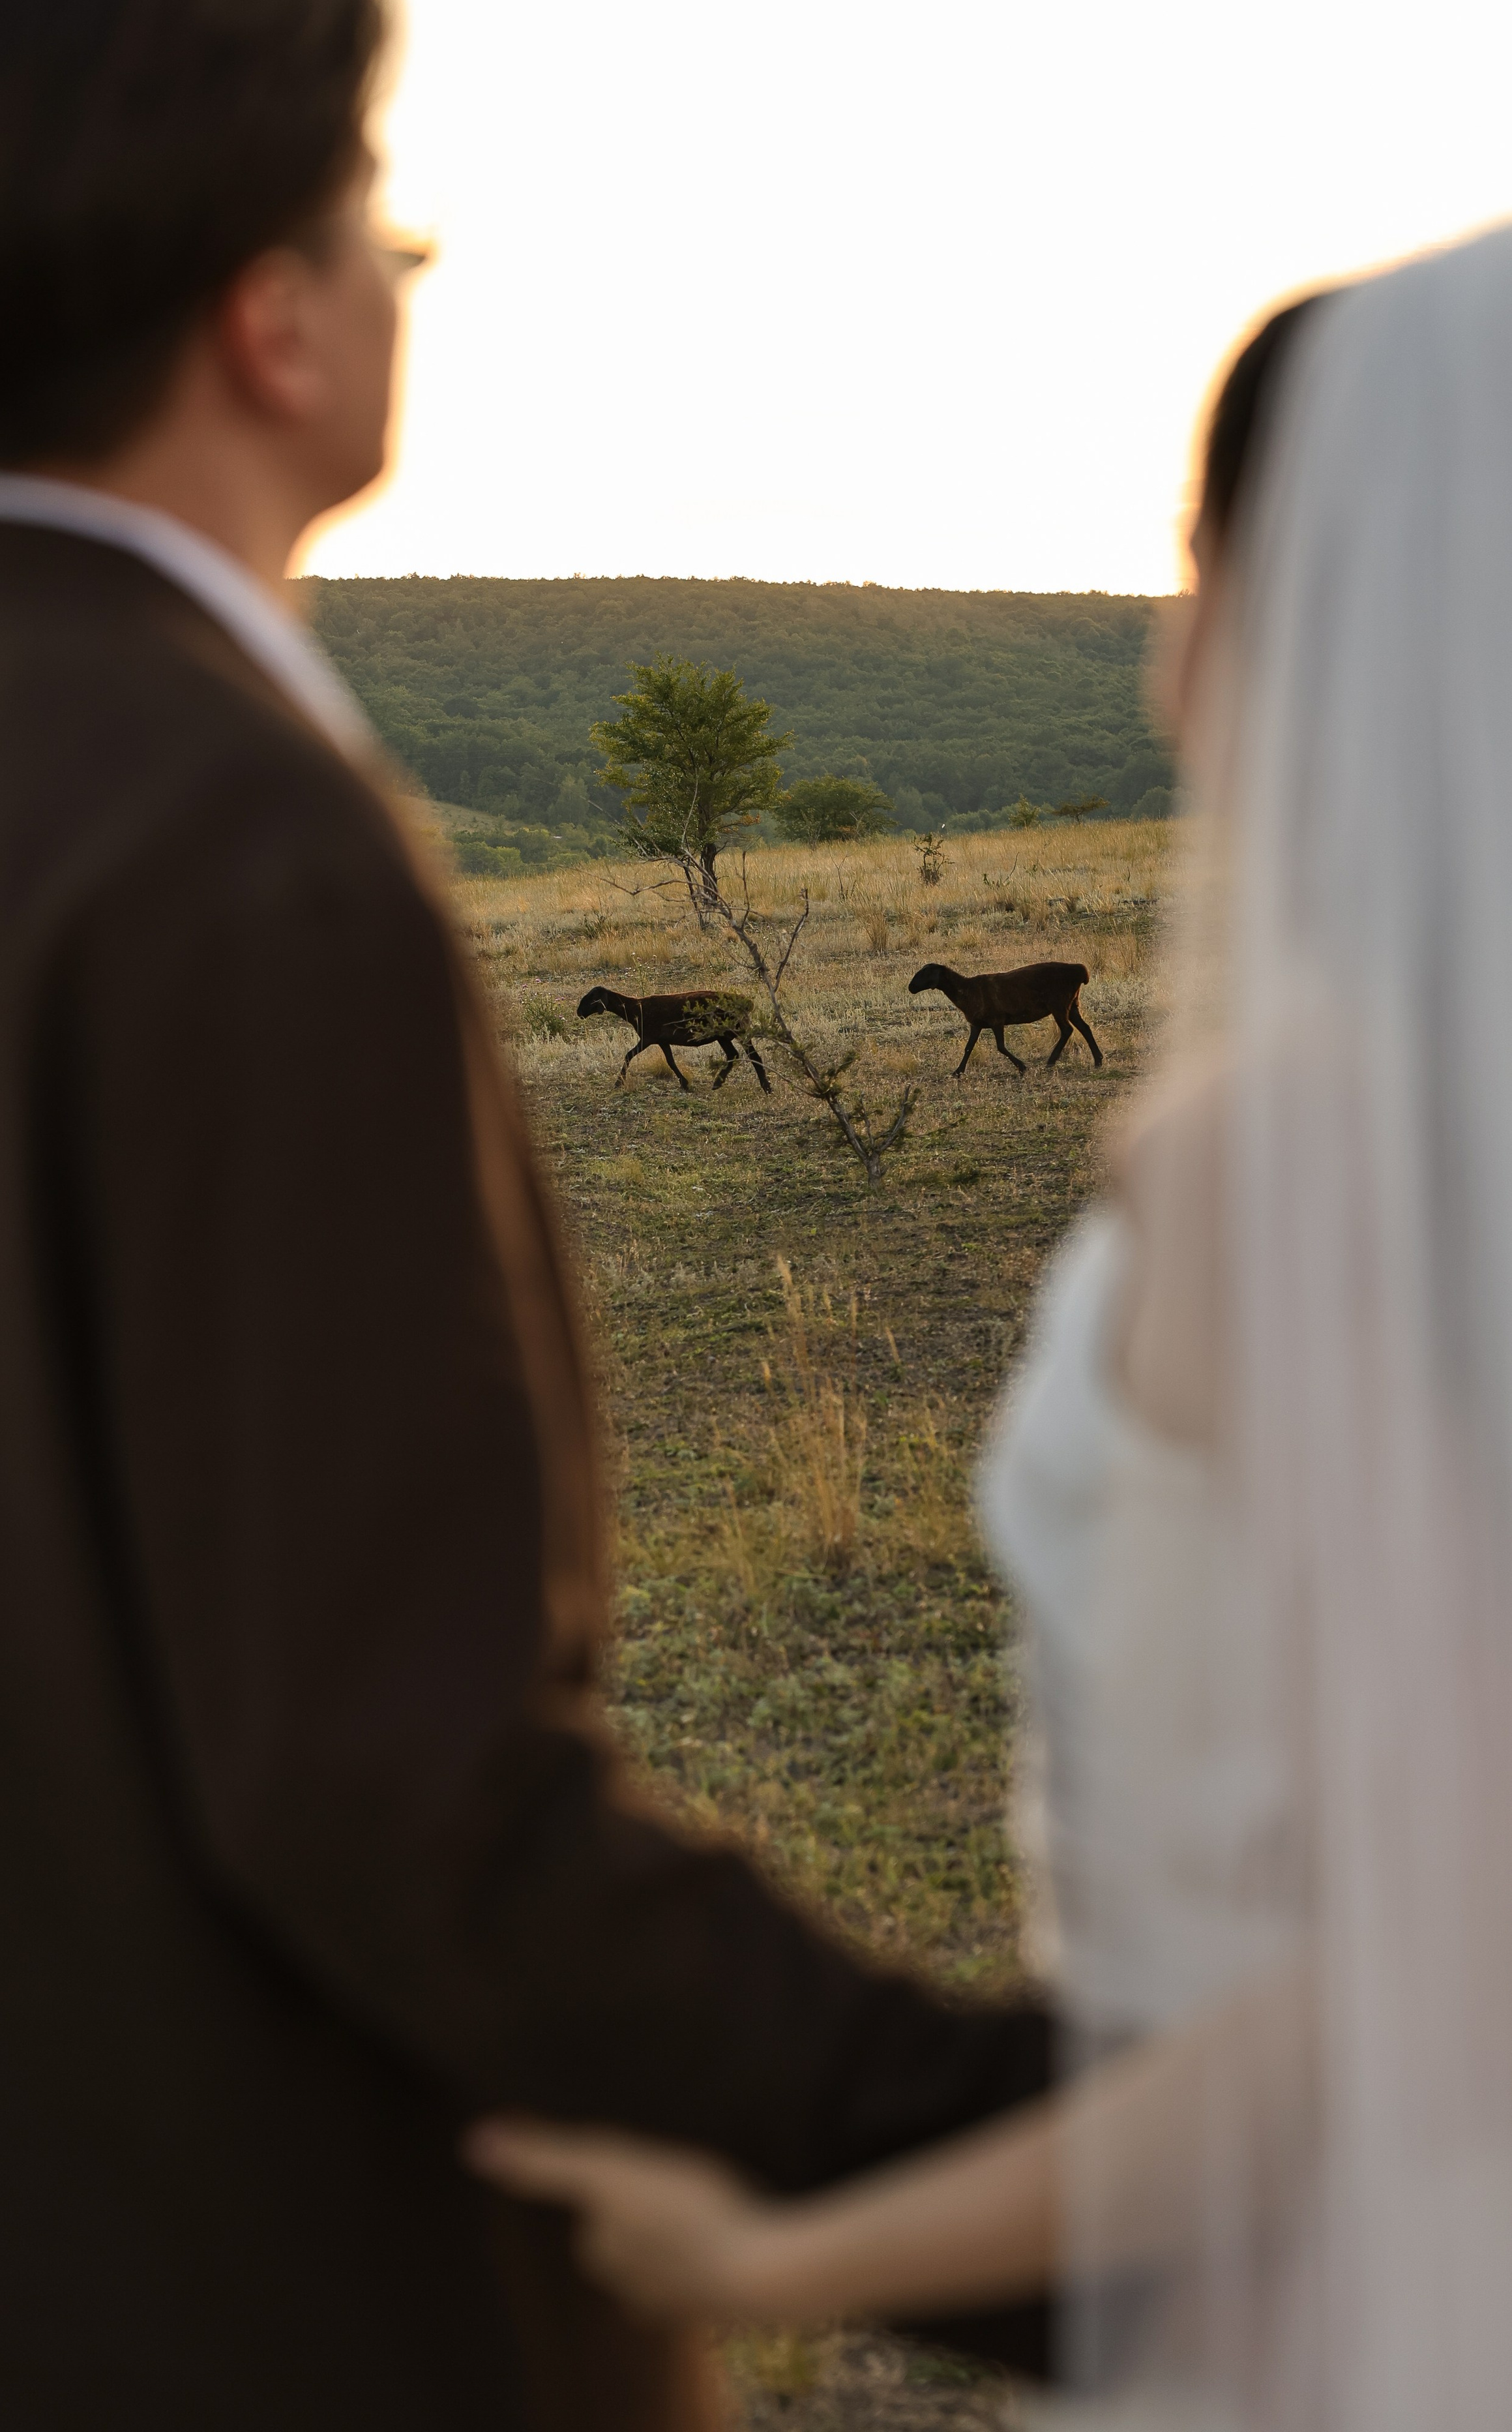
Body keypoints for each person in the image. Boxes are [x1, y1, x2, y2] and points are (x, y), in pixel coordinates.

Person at [0, 0, 1059, 2424]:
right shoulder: (243, 847)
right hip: (286, 2305)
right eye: (376, 217)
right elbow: (382, 1775)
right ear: (271, 320)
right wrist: (1052, 2182)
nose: (402, 274)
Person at [474, 225, 1512, 2431]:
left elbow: (1412, 1998)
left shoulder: (1275, 1182)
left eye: (1190, 558)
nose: (1159, 630)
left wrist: (788, 2251)